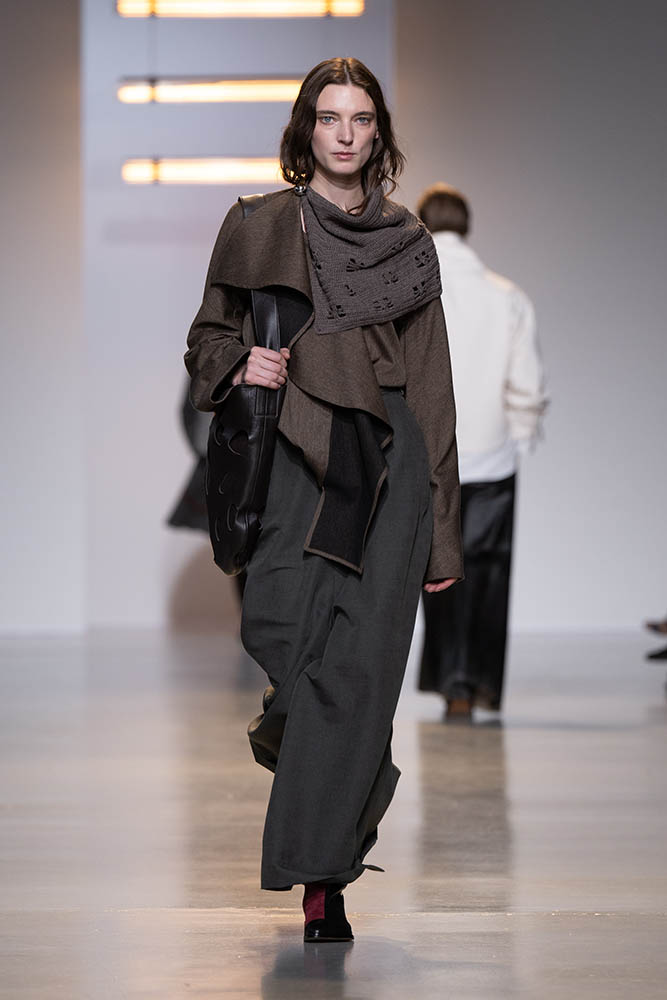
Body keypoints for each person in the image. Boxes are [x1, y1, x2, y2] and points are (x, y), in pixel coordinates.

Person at [185, 59, 462, 942]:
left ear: (379, 134)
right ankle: (320, 783)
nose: (345, 134)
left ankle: (322, 881)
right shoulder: (258, 226)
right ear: (306, 129)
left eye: (362, 119)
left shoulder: (407, 243)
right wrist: (242, 362)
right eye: (330, 117)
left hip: (390, 464)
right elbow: (205, 337)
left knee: (359, 674)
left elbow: (433, 389)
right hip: (297, 458)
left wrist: (442, 533)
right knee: (281, 636)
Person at [416, 184, 547, 721]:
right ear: (467, 226)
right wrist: (521, 435)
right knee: (489, 571)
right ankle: (485, 683)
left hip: (429, 456)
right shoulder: (507, 296)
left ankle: (454, 686)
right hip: (493, 457)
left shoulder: (414, 293)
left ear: (422, 224)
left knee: (437, 571)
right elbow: (526, 381)